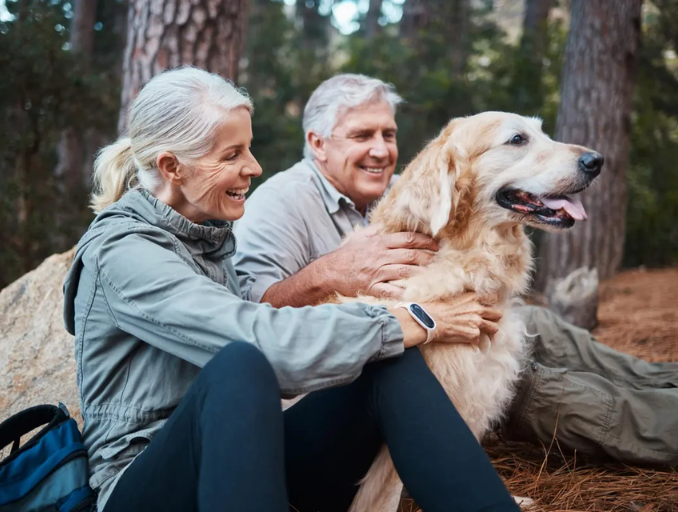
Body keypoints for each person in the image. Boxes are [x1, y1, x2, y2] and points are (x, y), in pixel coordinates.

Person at [63, 66, 521, 512]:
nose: (254, 167)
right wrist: (415, 319)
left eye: (249, 149)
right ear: (172, 167)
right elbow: (258, 342)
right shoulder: (122, 251)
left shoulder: (207, 235)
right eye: (231, 155)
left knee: (387, 363)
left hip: (247, 458)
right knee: (242, 361)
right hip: (147, 482)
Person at [234, 73, 678, 467]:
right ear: (318, 143)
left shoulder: (404, 191)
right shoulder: (280, 203)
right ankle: (665, 428)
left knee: (539, 324)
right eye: (361, 135)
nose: (380, 149)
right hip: (352, 374)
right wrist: (328, 273)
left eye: (388, 134)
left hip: (426, 327)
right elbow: (252, 314)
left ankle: (663, 380)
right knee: (527, 381)